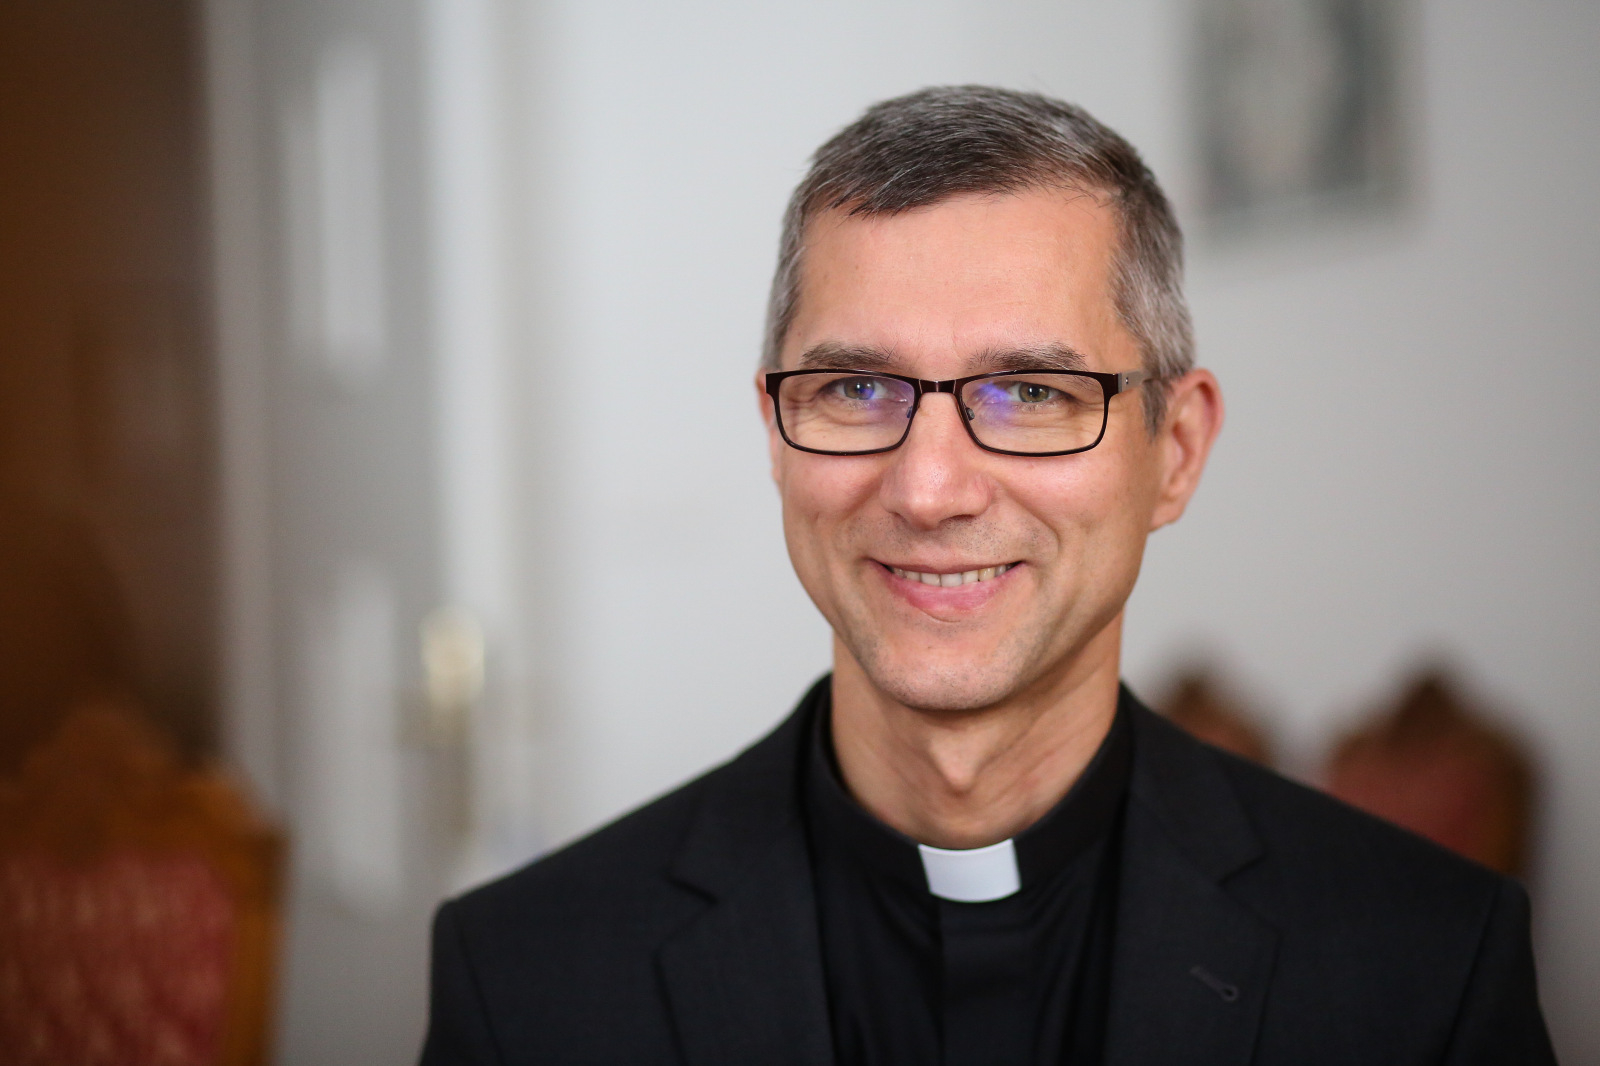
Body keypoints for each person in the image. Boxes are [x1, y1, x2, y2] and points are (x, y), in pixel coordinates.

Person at [419, 86, 1555, 1065]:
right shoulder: (526, 978)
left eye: (1031, 394)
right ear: (775, 435)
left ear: (1174, 451)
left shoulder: (1428, 966)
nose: (928, 490)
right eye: (856, 388)